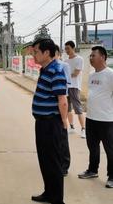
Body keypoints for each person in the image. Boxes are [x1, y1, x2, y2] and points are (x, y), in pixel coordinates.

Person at [31, 39, 68, 204]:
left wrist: (64, 122)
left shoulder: (57, 70)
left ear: (47, 53)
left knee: (53, 162)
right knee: (44, 160)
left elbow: (63, 100)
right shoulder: (45, 69)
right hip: (42, 122)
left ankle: (57, 199)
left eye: (36, 51)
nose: (34, 54)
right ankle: (49, 193)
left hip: (51, 123)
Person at [78, 46, 113, 188]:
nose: (90, 58)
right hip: (91, 117)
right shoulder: (92, 75)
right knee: (93, 147)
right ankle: (92, 170)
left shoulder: (110, 74)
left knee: (110, 149)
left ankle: (112, 176)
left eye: (93, 55)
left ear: (103, 57)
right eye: (90, 56)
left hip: (107, 119)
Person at [55, 45, 71, 176]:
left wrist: (64, 116)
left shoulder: (63, 66)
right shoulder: (47, 67)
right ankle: (57, 163)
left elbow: (65, 87)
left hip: (61, 102)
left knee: (62, 137)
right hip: (53, 106)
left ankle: (65, 165)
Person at [64, 41, 86, 138]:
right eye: (66, 48)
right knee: (68, 108)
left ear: (73, 48)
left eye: (68, 48)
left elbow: (75, 74)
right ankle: (72, 127)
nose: (67, 50)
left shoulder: (79, 59)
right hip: (66, 87)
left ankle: (83, 129)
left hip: (74, 86)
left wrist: (65, 76)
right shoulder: (65, 61)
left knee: (78, 108)